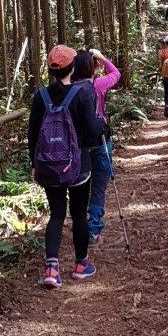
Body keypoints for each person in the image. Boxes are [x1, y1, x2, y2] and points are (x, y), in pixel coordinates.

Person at [28, 44, 106, 289]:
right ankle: (81, 265)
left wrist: (34, 164)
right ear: (73, 67)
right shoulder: (82, 94)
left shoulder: (40, 96)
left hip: (48, 166)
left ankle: (52, 268)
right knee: (79, 214)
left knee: (57, 214)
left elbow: (32, 134)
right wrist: (102, 124)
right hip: (78, 164)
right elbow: (93, 131)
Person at [72, 48, 121, 245]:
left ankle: (80, 225)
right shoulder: (98, 85)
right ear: (93, 67)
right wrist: (103, 58)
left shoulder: (70, 89)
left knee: (79, 187)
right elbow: (116, 74)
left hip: (78, 145)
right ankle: (93, 230)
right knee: (99, 187)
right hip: (100, 141)